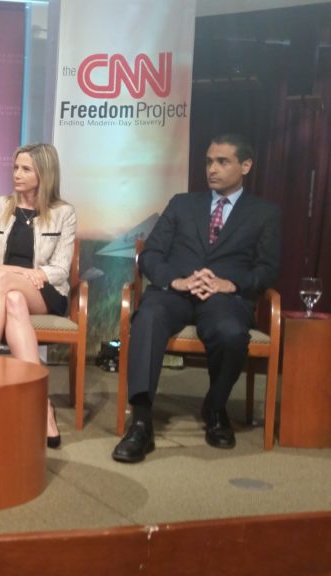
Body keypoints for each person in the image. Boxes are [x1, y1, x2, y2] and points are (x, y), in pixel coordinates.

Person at [112, 133, 281, 463]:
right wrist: (177, 280)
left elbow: (268, 268)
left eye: (222, 161)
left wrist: (230, 284)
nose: (212, 169)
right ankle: (142, 421)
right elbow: (150, 256)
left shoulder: (265, 213)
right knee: (147, 316)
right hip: (175, 292)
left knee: (232, 333)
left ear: (245, 165)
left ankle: (215, 408)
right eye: (208, 161)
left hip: (224, 299)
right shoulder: (182, 203)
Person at [0, 143, 76, 449]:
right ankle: (43, 407)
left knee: (8, 286)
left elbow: (60, 267)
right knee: (12, 298)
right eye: (16, 167)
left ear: (44, 173)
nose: (17, 174)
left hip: (43, 291)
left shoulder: (63, 213)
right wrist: (9, 274)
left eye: (26, 169)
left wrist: (33, 276)